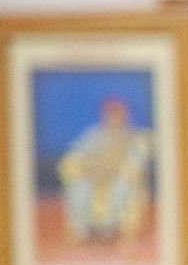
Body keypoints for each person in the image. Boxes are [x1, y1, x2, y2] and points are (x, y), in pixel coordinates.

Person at [58, 97, 153, 246]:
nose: (114, 118)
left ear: (125, 115)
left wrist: (121, 171)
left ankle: (110, 231)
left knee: (120, 188)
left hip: (119, 178)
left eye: (118, 114)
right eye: (111, 114)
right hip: (93, 176)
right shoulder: (93, 135)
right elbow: (77, 156)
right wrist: (86, 168)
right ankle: (83, 231)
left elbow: (136, 161)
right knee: (79, 187)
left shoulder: (135, 137)